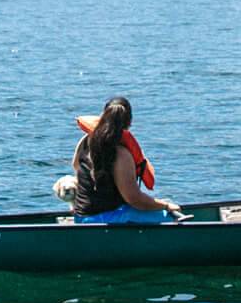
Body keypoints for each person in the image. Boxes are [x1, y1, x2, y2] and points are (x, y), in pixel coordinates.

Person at [69, 96, 182, 224]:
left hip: (81, 217)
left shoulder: (86, 141)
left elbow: (76, 166)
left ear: (103, 116)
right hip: (104, 218)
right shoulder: (121, 154)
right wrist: (166, 206)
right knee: (170, 219)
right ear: (129, 122)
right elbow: (134, 199)